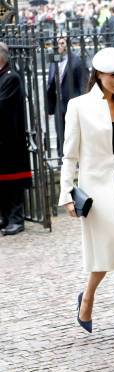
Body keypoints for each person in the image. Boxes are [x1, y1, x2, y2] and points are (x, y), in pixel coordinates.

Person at [59, 47, 114, 346]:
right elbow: (69, 156)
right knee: (108, 252)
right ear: (98, 75)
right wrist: (66, 194)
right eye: (113, 76)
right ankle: (87, 297)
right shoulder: (79, 106)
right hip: (96, 192)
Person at [0, 42, 32, 236]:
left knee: (13, 184)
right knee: (2, 185)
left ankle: (16, 219)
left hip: (10, 140)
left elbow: (2, 106)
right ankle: (5, 217)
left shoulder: (11, 78)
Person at [46, 37, 87, 156]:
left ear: (68, 45)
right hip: (59, 105)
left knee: (75, 136)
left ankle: (78, 162)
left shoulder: (77, 61)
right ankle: (61, 161)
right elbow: (51, 85)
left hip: (73, 105)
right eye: (57, 43)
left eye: (62, 43)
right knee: (60, 135)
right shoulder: (54, 61)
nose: (59, 46)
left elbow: (83, 85)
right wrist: (49, 108)